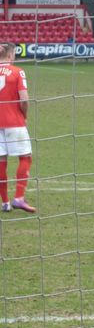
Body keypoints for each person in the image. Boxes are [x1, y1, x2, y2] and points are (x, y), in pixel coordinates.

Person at [0, 42, 35, 213]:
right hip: (14, 122)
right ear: (9, 55)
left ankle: (5, 202)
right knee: (25, 157)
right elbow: (24, 99)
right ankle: (19, 198)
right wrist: (24, 114)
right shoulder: (17, 71)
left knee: (1, 162)